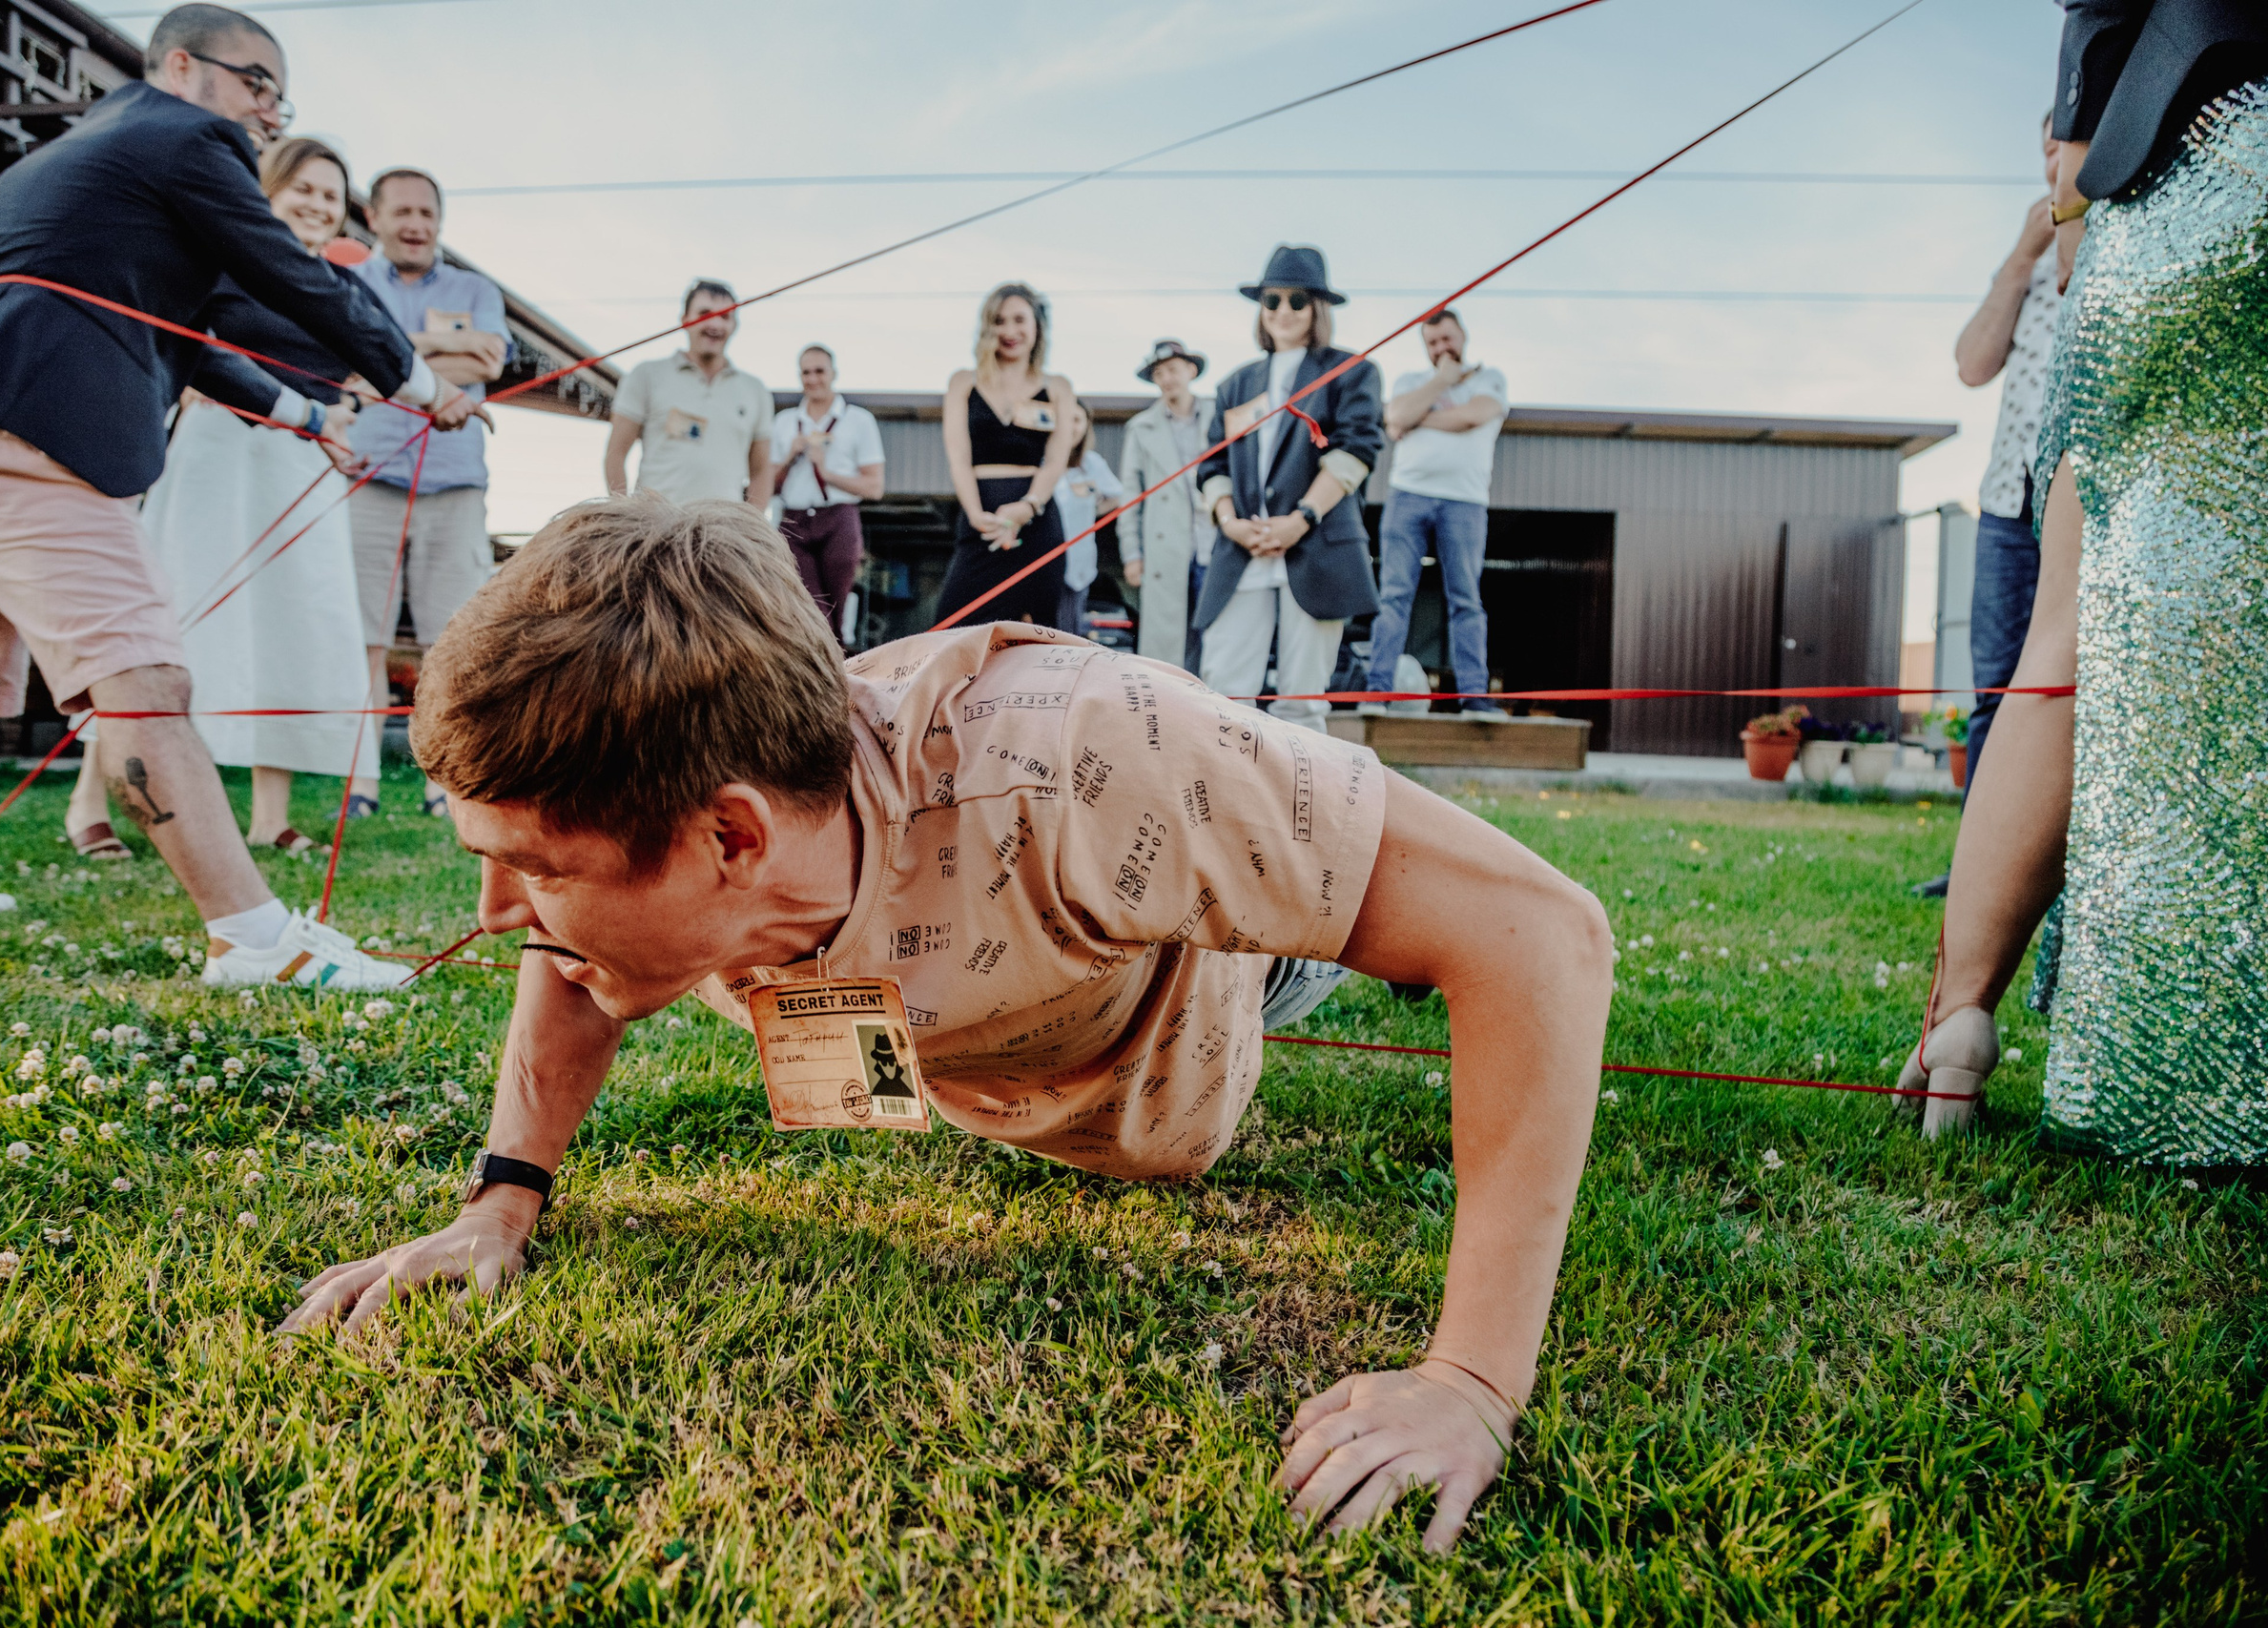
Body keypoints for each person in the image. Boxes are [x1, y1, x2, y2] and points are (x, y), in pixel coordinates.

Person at [278, 495, 1614, 1556]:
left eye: (536, 865)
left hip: (1201, 988)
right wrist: (500, 1200)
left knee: (1388, 916)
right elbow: (570, 955)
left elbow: (1545, 938)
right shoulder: (696, 805)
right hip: (993, 1036)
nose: (500, 907)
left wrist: (1469, 1380)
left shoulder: (1087, 757)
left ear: (732, 834)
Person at [0, 1, 471, 991]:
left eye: (277, 93)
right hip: (23, 422)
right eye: (258, 83)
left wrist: (312, 420)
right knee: (144, 677)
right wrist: (421, 385)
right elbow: (283, 273)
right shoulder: (184, 134)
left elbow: (202, 329)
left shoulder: (97, 154)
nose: (266, 112)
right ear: (183, 66)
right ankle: (254, 939)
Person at [1902, 0, 2268, 1164]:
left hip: (2196, 164)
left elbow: (2098, 38)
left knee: (2066, 632)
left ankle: (1960, 1016)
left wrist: (2085, 172)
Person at [61, 135, 384, 861]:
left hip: (300, 469)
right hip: (214, 455)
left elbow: (372, 359)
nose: (318, 205)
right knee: (169, 623)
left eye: (331, 196)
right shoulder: (214, 264)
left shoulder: (343, 290)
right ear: (265, 194)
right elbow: (188, 351)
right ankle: (90, 801)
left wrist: (358, 404)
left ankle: (270, 814)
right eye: (303, 188)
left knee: (292, 628)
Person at [1912, 114, 2068, 900]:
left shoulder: (2127, 234)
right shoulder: (2029, 264)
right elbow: (1972, 364)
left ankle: (2065, 876)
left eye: (2064, 136)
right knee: (1994, 695)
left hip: (2089, 503)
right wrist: (2020, 256)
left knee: (2077, 694)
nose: (2052, 153)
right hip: (2008, 506)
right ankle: (1977, 871)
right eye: (2043, 141)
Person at [343, 164, 509, 820]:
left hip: (455, 483)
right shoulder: (349, 283)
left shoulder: (476, 286)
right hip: (367, 477)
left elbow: (489, 361)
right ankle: (361, 783)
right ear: (375, 218)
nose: (416, 225)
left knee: (455, 642)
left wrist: (389, 355)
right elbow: (344, 360)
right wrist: (443, 350)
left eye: (427, 213)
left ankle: (446, 784)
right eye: (402, 212)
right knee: (364, 638)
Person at [1195, 246, 1384, 730]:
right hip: (1243, 549)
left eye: (1296, 300)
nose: (1282, 310)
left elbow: (1356, 452)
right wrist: (1230, 522)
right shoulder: (1235, 385)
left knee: (1302, 701)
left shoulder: (1352, 371)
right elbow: (1211, 463)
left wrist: (1301, 519)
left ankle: (1301, 804)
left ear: (1317, 308)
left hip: (1315, 544)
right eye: (1271, 300)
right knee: (1223, 695)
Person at [1365, 307, 1508, 717]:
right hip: (1407, 496)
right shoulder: (1412, 381)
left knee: (1466, 599)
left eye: (1447, 339)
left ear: (1463, 334)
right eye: (1432, 343)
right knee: (1393, 597)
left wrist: (1418, 419)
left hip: (1464, 500)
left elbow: (1473, 415)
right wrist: (1442, 381)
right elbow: (1394, 417)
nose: (1441, 348)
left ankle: (1474, 697)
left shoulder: (1490, 378)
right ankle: (1378, 692)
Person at [937, 282, 1077, 630]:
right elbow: (958, 457)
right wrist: (976, 516)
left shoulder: (1058, 387)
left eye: (1019, 320)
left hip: (1036, 522)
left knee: (1038, 633)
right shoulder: (963, 382)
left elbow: (1056, 461)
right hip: (980, 518)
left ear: (1037, 326)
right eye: (999, 321)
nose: (1010, 331)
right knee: (950, 630)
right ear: (987, 327)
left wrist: (1027, 507)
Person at [604, 279, 775, 508]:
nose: (715, 323)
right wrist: (623, 514)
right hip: (655, 526)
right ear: (684, 320)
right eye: (705, 313)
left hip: (726, 531)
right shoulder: (646, 375)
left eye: (725, 316)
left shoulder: (756, 390)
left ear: (734, 326)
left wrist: (754, 527)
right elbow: (615, 453)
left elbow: (761, 470)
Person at [768, 344, 884, 641]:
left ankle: (839, 671)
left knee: (838, 610)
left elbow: (874, 487)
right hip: (793, 520)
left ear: (833, 373)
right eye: (806, 372)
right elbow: (768, 485)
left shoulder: (858, 420)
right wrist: (789, 458)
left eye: (819, 371)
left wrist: (829, 473)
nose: (813, 379)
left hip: (839, 518)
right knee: (809, 608)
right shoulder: (784, 423)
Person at [1116, 338, 1215, 670]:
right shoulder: (1141, 428)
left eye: (1172, 369)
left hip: (1215, 543)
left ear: (1190, 370)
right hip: (1165, 549)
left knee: (1217, 639)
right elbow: (1131, 494)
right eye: (1159, 372)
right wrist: (1132, 553)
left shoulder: (1220, 417)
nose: (1167, 378)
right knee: (1171, 646)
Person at [1049, 401, 1125, 637]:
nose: (1070, 426)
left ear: (1086, 426)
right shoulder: (1038, 460)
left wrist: (1090, 510)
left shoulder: (1092, 464)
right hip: (1038, 564)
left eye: (1077, 419)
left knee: (1066, 635)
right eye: (1065, 418)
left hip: (1075, 569)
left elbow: (1118, 498)